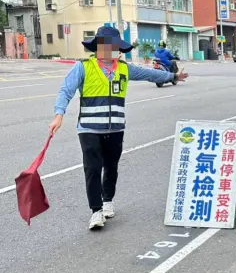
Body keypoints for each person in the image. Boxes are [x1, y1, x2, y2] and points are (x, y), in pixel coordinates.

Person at [49, 26, 190, 230]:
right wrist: (58, 114)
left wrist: (173, 77)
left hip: (115, 128)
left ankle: (108, 201)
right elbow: (65, 91)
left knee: (111, 167)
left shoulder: (124, 68)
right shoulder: (83, 67)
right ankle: (96, 211)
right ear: (98, 47)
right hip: (89, 128)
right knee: (92, 168)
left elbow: (151, 75)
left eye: (113, 46)